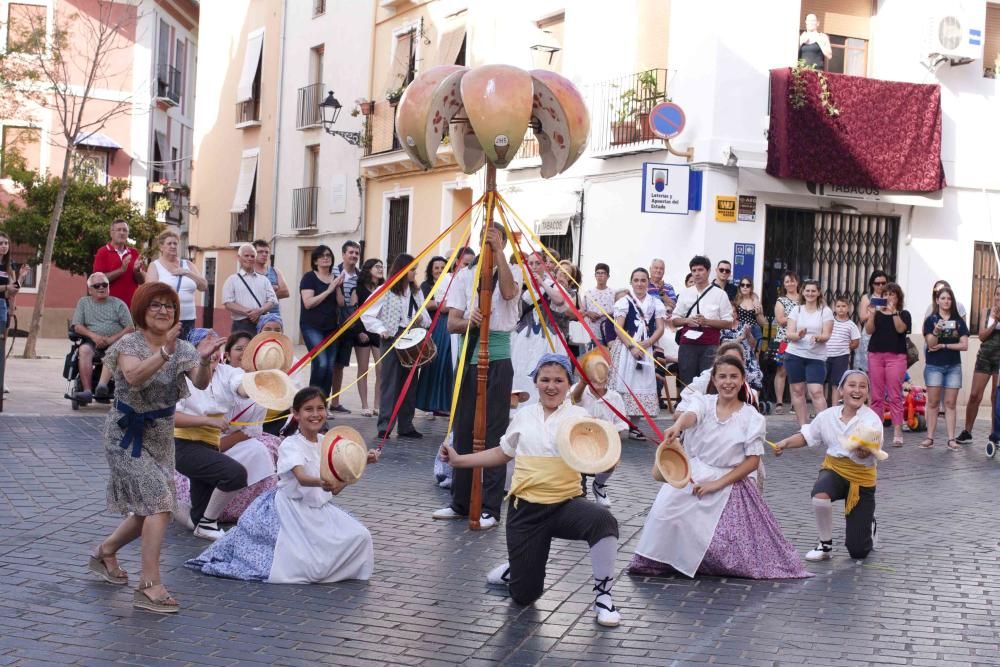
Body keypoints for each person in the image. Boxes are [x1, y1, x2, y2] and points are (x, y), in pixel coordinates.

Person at [440, 354, 623, 627]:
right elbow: (502, 453)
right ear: (536, 382)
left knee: (603, 521)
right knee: (525, 596)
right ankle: (517, 566)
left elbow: (600, 453)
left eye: (558, 380)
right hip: (525, 510)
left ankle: (604, 598)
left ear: (568, 384)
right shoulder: (523, 416)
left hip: (566, 504)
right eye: (545, 379)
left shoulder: (580, 417)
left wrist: (609, 459)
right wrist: (459, 460)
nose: (551, 386)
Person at [89, 282, 225, 614]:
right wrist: (163, 352)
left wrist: (204, 360)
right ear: (142, 310)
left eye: (169, 306)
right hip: (126, 434)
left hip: (161, 435)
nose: (164, 311)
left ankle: (105, 552)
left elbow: (202, 381)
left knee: (148, 509)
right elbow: (134, 376)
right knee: (160, 505)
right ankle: (148, 585)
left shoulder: (182, 347)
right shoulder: (130, 343)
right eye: (156, 305)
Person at [630, 356, 808, 579]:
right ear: (714, 379)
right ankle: (666, 559)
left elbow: (752, 461)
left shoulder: (751, 417)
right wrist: (677, 426)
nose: (728, 382)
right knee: (665, 512)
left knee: (727, 545)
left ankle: (698, 561)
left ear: (743, 379)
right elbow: (690, 415)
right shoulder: (704, 402)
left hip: (729, 479)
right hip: (695, 473)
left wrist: (716, 484)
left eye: (734, 376)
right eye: (722, 376)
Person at [185, 387, 378, 583]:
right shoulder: (290, 444)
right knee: (310, 566)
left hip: (320, 511)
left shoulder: (327, 443)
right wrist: (321, 481)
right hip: (291, 511)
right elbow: (302, 477)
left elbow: (335, 488)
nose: (315, 414)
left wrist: (359, 464)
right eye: (308, 409)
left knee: (361, 537)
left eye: (320, 408)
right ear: (296, 414)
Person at [433, 224, 522, 528]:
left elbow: (509, 293)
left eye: (494, 241)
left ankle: (491, 507)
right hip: (468, 359)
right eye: (485, 241)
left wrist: (499, 254)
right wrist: (468, 320)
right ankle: (460, 501)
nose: (488, 246)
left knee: (495, 431)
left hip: (497, 359)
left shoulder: (512, 272)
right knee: (464, 427)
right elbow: (451, 324)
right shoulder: (465, 275)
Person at [173, 331, 283, 525]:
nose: (213, 352)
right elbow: (172, 418)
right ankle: (206, 520)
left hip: (212, 445)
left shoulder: (230, 373)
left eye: (216, 347)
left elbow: (241, 385)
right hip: (185, 445)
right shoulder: (182, 376)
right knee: (234, 474)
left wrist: (255, 385)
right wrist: (208, 422)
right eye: (206, 347)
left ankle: (183, 509)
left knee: (194, 521)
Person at [774, 369, 883, 561]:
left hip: (861, 478)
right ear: (841, 390)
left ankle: (868, 523)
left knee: (858, 552)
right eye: (851, 385)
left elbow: (870, 451)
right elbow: (807, 436)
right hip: (835, 469)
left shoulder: (872, 420)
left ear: (867, 392)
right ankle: (825, 545)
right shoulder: (827, 416)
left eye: (862, 386)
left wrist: (863, 449)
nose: (857, 390)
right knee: (820, 494)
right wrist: (784, 444)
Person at [361, 253, 431, 440]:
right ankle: (385, 426)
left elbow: (424, 314)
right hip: (392, 338)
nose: (414, 273)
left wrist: (423, 321)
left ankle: (406, 425)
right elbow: (366, 314)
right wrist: (381, 329)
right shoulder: (385, 290)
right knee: (389, 383)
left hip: (411, 338)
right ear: (401, 270)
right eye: (411, 269)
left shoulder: (416, 292)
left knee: (409, 382)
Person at [610, 267, 666, 441]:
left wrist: (648, 344)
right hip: (627, 349)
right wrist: (632, 347)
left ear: (648, 282)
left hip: (644, 348)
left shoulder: (655, 302)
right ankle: (616, 425)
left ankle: (634, 426)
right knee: (622, 384)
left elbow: (660, 327)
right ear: (631, 282)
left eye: (643, 280)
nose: (640, 283)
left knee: (640, 384)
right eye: (636, 280)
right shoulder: (624, 302)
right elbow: (618, 327)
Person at [70, 272, 134, 402]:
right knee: (83, 350)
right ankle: (87, 391)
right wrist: (94, 337)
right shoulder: (84, 302)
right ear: (90, 290)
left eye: (105, 284)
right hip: (92, 341)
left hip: (116, 342)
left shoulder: (118, 304)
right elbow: (77, 326)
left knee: (116, 349)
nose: (101, 288)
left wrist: (111, 339)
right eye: (97, 285)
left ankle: (102, 386)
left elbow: (130, 327)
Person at [570, 363, 627, 508]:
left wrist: (610, 437)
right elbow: (572, 401)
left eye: (601, 377)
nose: (597, 381)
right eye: (592, 377)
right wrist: (582, 383)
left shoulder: (615, 398)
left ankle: (599, 485)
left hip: (602, 443)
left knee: (612, 459)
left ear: (608, 378)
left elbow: (622, 427)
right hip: (578, 441)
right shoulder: (578, 390)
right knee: (578, 489)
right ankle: (579, 492)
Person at [672, 256, 734, 387]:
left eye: (700, 270)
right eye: (694, 270)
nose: (697, 273)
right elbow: (674, 321)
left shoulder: (720, 294)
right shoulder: (685, 293)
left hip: (709, 345)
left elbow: (728, 322)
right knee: (686, 382)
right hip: (687, 344)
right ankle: (687, 407)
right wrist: (687, 320)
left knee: (707, 382)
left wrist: (707, 321)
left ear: (708, 271)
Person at [511, 251, 564, 404]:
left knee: (547, 369)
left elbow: (560, 300)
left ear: (546, 265)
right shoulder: (522, 284)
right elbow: (517, 311)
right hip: (525, 335)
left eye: (538, 263)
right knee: (521, 369)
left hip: (547, 335)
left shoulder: (553, 284)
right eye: (531, 263)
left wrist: (541, 283)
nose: (534, 266)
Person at [920, 286, 969, 450]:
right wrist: (936, 330)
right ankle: (930, 438)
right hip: (934, 366)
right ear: (937, 300)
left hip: (953, 366)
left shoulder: (958, 321)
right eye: (943, 298)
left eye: (949, 298)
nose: (946, 301)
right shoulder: (931, 320)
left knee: (950, 403)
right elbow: (930, 344)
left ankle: (951, 439)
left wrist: (944, 345)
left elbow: (964, 345)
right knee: (933, 402)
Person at [863, 282, 911, 448]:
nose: (888, 297)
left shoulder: (903, 314)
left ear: (898, 298)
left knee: (894, 395)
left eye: (892, 294)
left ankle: (898, 432)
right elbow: (869, 331)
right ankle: (876, 433)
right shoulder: (876, 313)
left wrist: (893, 313)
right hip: (875, 355)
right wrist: (871, 315)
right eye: (885, 294)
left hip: (896, 357)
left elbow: (900, 329)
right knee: (876, 396)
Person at [784, 279, 834, 426]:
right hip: (795, 355)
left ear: (819, 292)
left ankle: (825, 427)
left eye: (813, 291)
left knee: (816, 391)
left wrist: (818, 338)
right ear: (803, 292)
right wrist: (798, 335)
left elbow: (827, 335)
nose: (810, 293)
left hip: (816, 357)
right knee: (798, 391)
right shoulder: (796, 310)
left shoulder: (826, 311)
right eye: (807, 290)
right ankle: (804, 428)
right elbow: (789, 334)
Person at [146, 229, 207, 340]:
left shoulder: (188, 264)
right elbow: (149, 292)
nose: (173, 246)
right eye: (169, 243)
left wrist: (187, 272)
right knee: (168, 352)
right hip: (166, 318)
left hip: (188, 318)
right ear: (161, 247)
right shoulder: (155, 266)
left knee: (186, 353)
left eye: (175, 243)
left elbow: (203, 286)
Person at [298, 245, 344, 394]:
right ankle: (312, 399)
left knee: (329, 366)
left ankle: (323, 403)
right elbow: (308, 303)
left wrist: (337, 287)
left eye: (329, 255)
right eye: (322, 256)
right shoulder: (309, 277)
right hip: (311, 326)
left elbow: (341, 303)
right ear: (315, 260)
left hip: (331, 327)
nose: (326, 258)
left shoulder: (335, 278)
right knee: (321, 363)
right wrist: (328, 290)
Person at [958, 284, 1000, 444]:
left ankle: (994, 435)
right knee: (975, 394)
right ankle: (967, 431)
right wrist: (994, 322)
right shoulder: (986, 312)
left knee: (996, 397)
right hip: (985, 357)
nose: (998, 297)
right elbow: (982, 336)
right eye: (997, 294)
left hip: (999, 360)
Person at [413, 256, 453, 416]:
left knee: (447, 364)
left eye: (443, 267)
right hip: (435, 326)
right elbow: (423, 304)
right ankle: (431, 402)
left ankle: (443, 403)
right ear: (431, 270)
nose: (439, 270)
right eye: (436, 267)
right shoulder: (426, 285)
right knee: (435, 362)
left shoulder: (451, 282)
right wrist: (439, 305)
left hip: (447, 324)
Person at [329, 240, 362, 413]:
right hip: (332, 325)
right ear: (343, 254)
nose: (354, 256)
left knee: (340, 365)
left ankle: (335, 403)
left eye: (357, 253)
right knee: (328, 364)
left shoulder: (360, 275)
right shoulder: (332, 272)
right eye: (351, 252)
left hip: (349, 326)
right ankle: (323, 401)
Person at [222, 244, 278, 335]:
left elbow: (272, 300)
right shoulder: (231, 280)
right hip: (241, 325)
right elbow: (228, 303)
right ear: (239, 258)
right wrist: (249, 313)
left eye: (252, 256)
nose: (250, 258)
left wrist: (260, 311)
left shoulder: (264, 280)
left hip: (262, 324)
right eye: (246, 255)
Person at [354, 258, 385, 416]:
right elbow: (354, 312)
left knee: (381, 370)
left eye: (381, 267)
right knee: (363, 369)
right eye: (377, 267)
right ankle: (364, 405)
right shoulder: (358, 289)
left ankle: (377, 405)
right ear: (368, 269)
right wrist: (360, 331)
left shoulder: (385, 288)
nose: (380, 269)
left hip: (379, 332)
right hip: (363, 333)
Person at [93, 219, 145, 308]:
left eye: (125, 230)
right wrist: (121, 270)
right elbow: (98, 281)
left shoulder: (134, 252)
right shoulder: (102, 252)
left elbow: (142, 281)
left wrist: (137, 271)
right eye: (119, 230)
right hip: (108, 308)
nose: (122, 233)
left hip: (130, 307)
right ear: (111, 233)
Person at [772, 271, 801, 414]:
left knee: (796, 372)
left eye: (792, 280)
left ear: (797, 282)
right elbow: (781, 320)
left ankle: (795, 403)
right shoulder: (781, 300)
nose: (790, 283)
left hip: (801, 340)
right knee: (782, 370)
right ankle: (779, 402)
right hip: (784, 339)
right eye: (787, 281)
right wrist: (797, 318)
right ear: (784, 284)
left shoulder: (804, 299)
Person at [827, 296, 861, 406]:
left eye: (843, 306)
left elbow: (856, 342)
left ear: (848, 308)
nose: (841, 309)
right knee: (822, 382)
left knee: (836, 383)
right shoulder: (829, 322)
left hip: (841, 357)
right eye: (838, 306)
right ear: (834, 308)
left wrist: (845, 347)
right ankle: (822, 409)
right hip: (825, 355)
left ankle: (834, 408)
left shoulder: (851, 325)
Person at [855, 270, 890, 372]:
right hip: (869, 335)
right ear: (872, 284)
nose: (880, 286)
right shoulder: (867, 297)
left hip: (886, 335)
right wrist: (874, 311)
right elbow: (862, 317)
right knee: (868, 367)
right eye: (877, 283)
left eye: (883, 283)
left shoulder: (890, 297)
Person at [0, 232, 29, 334]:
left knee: (2, 343)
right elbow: (9, 287)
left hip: (3, 307)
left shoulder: (9, 265)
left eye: (6, 243)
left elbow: (13, 291)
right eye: (1, 243)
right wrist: (7, 287)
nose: (4, 246)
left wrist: (21, 278)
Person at [252, 239, 290, 315]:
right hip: (254, 315)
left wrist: (262, 293)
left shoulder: (275, 271)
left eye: (267, 252)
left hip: (273, 316)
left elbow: (285, 292)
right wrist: (273, 289)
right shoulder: (248, 273)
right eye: (260, 252)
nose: (264, 254)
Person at [583, 263, 617, 346]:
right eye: (598, 273)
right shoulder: (588, 293)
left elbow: (618, 312)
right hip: (589, 334)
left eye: (603, 273)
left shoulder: (614, 293)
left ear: (608, 276)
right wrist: (588, 313)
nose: (600, 275)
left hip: (607, 335)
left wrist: (603, 315)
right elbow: (581, 311)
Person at [733, 276, 767, 343]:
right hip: (741, 331)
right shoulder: (736, 301)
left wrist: (758, 314)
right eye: (742, 285)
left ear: (751, 288)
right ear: (739, 287)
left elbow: (763, 323)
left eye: (748, 285)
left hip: (755, 330)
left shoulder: (756, 302)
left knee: (756, 352)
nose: (745, 287)